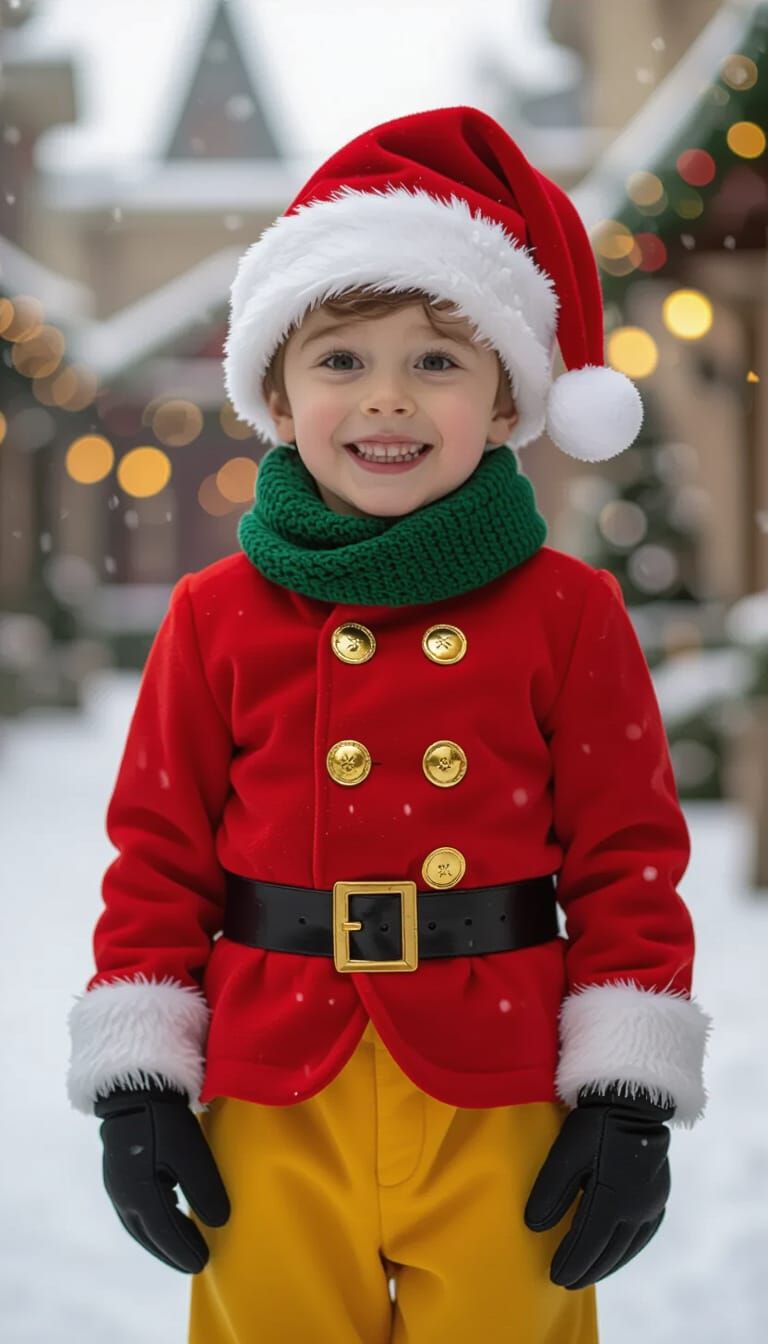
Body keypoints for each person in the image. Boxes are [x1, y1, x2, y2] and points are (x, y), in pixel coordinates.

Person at [66, 106, 712, 1343]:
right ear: (276, 385)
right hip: (271, 1087)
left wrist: (628, 1094)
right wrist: (138, 1085)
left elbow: (631, 855)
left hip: (505, 1088)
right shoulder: (215, 613)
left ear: (509, 396)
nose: (387, 401)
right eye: (342, 359)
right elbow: (157, 851)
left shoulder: (568, 611)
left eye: (437, 360)